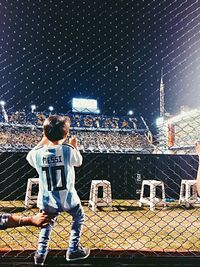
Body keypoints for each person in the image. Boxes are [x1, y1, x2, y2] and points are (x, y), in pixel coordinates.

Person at [26, 115, 90, 266]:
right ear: (66, 134)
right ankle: (73, 249)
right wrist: (74, 145)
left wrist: (45, 138)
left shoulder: (37, 154)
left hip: (48, 199)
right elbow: (79, 162)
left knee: (46, 223)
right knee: (78, 218)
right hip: (68, 198)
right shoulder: (68, 150)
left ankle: (41, 254)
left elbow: (30, 155)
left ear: (45, 134)